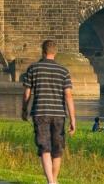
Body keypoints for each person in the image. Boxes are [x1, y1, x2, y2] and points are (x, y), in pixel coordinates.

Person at [21, 39, 76, 184]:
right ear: (55, 52)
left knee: (44, 148)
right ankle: (53, 181)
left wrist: (24, 110)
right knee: (57, 150)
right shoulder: (64, 71)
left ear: (43, 51)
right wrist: (73, 120)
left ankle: (51, 182)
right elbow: (68, 96)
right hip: (59, 115)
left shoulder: (33, 68)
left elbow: (27, 94)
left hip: (40, 112)